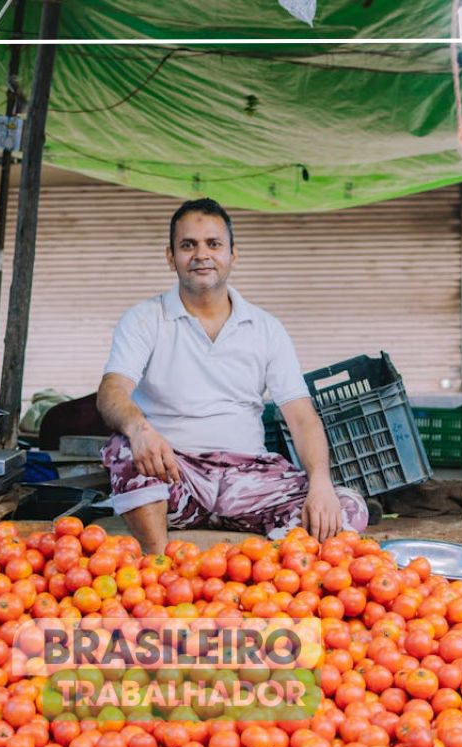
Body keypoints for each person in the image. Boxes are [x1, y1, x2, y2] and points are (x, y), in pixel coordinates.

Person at [96, 198, 369, 554]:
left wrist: (320, 483)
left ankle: (268, 575)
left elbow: (302, 418)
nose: (201, 255)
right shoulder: (145, 319)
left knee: (346, 509)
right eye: (187, 245)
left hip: (250, 480)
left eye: (213, 244)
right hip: (176, 474)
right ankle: (158, 564)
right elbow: (111, 391)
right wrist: (139, 429)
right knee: (125, 449)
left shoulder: (266, 328)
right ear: (170, 256)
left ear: (233, 255)